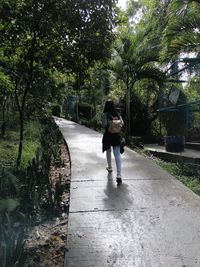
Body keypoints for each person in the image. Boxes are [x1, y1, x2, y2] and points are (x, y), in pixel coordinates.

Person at [102, 100, 124, 184]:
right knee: (117, 154)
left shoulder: (105, 114)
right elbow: (122, 123)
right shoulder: (117, 114)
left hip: (108, 135)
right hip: (117, 136)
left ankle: (110, 167)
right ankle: (119, 174)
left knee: (108, 150)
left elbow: (104, 125)